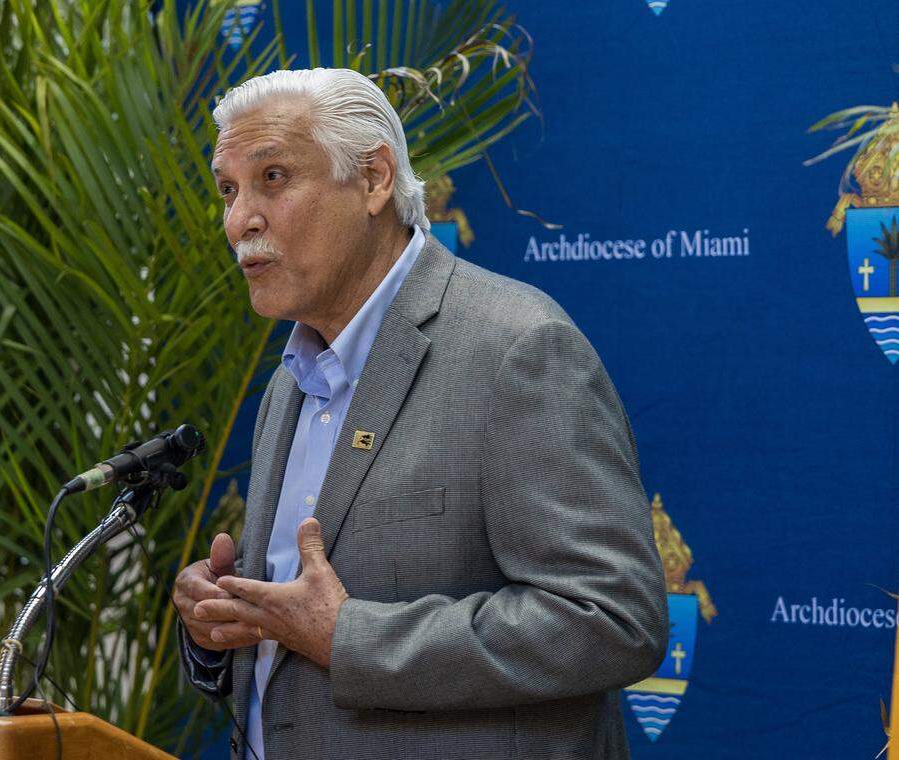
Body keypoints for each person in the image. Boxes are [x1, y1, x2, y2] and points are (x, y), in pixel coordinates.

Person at [172, 67, 667, 760]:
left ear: (375, 179)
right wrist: (224, 623)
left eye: (273, 178)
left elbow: (611, 619)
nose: (238, 221)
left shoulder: (517, 347)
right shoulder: (289, 381)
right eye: (228, 190)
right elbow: (297, 636)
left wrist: (350, 637)